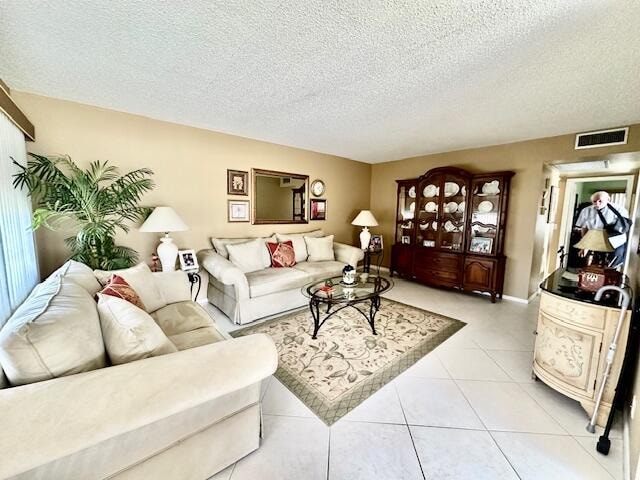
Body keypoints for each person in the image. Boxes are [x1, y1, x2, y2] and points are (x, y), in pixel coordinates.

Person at [575, 191, 631, 268]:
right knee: (594, 265)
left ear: (608, 199)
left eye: (600, 201)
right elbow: (584, 228)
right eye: (594, 201)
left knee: (611, 267)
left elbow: (624, 226)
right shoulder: (586, 211)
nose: (597, 204)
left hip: (616, 241)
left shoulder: (619, 209)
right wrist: (585, 246)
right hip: (596, 240)